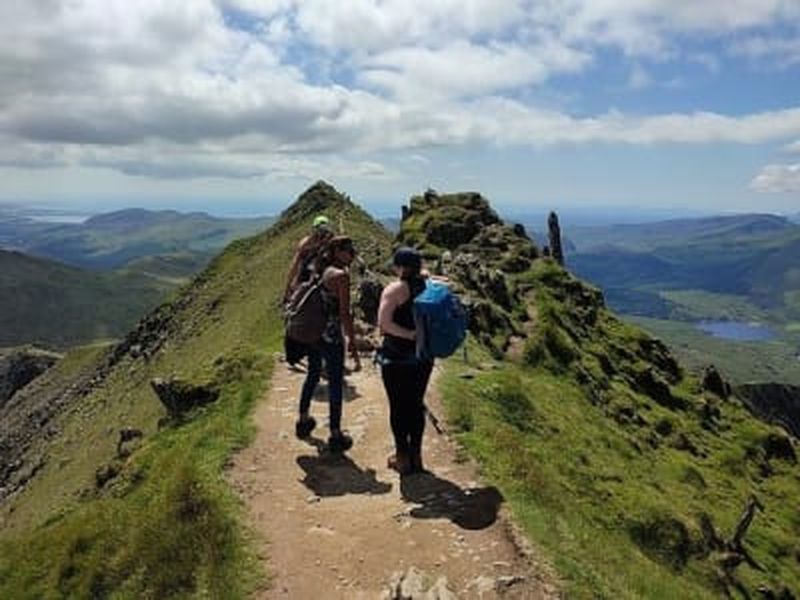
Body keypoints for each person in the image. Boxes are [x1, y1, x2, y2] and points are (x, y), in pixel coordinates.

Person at [295, 236, 361, 452]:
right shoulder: (341, 276)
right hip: (331, 335)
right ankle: (335, 433)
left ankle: (303, 420)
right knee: (335, 382)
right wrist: (352, 343)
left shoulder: (321, 268)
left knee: (313, 374)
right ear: (338, 252)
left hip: (314, 332)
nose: (353, 253)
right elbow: (345, 313)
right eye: (349, 250)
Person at [377, 247, 434, 475]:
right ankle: (417, 456)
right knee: (416, 404)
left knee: (398, 407)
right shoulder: (426, 285)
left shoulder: (395, 290)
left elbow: (384, 323)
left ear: (399, 266)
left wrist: (409, 334)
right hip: (423, 356)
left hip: (396, 358)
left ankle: (402, 458)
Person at [283, 215, 334, 303]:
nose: (322, 234)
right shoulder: (306, 244)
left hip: (323, 269)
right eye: (320, 230)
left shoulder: (330, 241)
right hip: (306, 272)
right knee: (298, 294)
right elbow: (295, 264)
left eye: (324, 231)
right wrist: (288, 287)